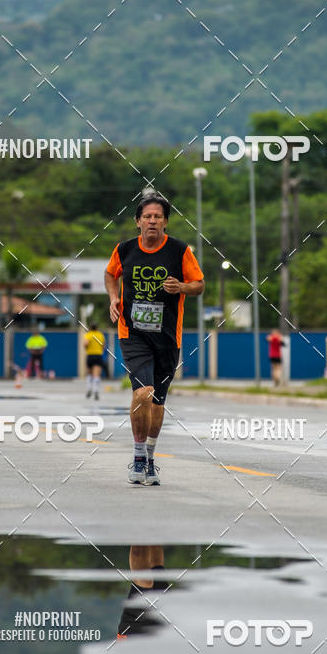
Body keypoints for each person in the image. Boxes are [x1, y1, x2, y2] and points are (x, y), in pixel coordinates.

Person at [105, 193, 204, 486]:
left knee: (158, 401)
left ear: (165, 221)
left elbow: (199, 285)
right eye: (147, 216)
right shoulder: (124, 250)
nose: (152, 221)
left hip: (167, 337)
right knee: (142, 392)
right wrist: (113, 298)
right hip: (132, 332)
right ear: (138, 222)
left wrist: (181, 287)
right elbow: (111, 275)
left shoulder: (179, 250)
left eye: (157, 216)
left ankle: (149, 458)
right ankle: (137, 459)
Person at [83, 322, 105, 400]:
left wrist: (87, 348)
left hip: (90, 355)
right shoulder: (100, 335)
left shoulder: (88, 335)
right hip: (98, 355)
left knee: (89, 373)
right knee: (97, 374)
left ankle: (89, 389)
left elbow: (85, 343)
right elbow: (103, 346)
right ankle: (96, 390)